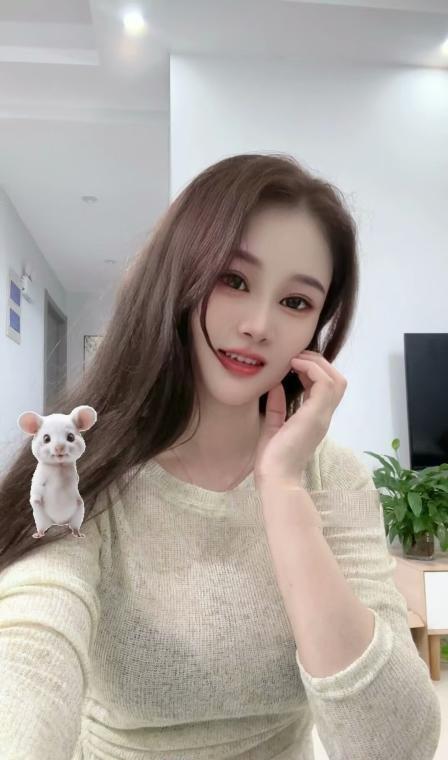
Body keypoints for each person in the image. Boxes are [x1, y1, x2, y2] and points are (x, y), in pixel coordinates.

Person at [0, 154, 441, 759]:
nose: (259, 325)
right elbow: (30, 646)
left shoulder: (332, 476)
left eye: (296, 302)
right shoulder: (81, 467)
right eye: (233, 280)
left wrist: (282, 492)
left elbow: (396, 746)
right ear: (176, 279)